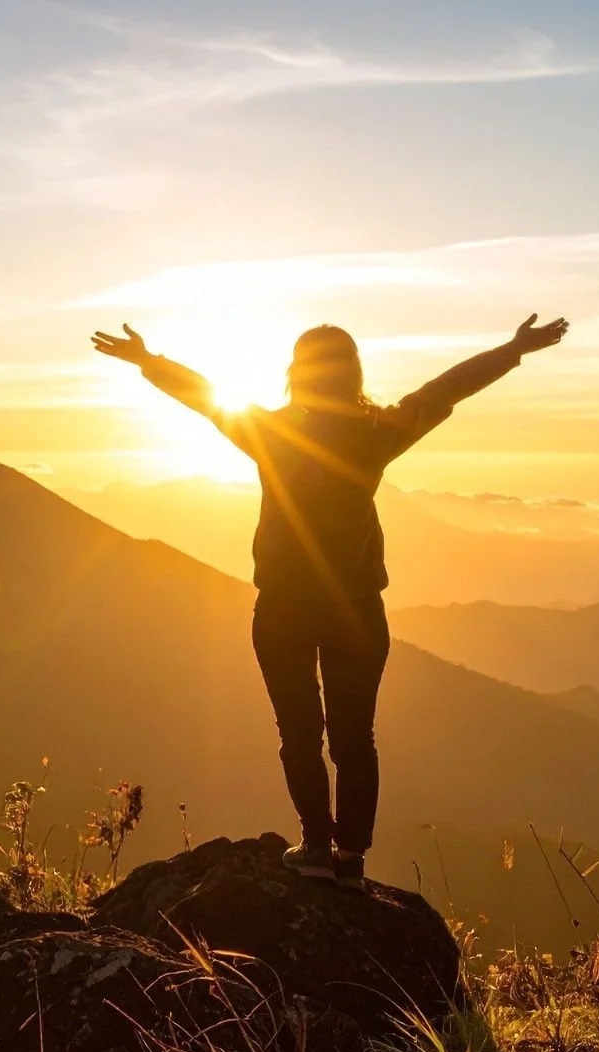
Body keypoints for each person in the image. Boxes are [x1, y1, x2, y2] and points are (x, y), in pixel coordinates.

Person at [91, 315, 571, 883]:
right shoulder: (376, 432)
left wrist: (150, 362)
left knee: (298, 734)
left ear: (295, 374)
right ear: (354, 374)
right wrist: (511, 350)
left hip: (283, 608)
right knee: (354, 739)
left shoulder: (270, 432)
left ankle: (316, 847)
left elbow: (203, 397)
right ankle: (350, 859)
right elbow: (446, 390)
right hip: (357, 610)